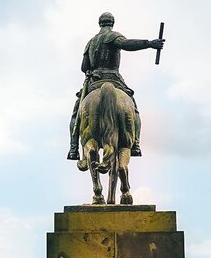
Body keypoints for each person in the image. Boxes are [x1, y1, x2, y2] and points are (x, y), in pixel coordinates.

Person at [67, 12, 165, 160]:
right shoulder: (113, 36)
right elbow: (126, 45)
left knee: (76, 114)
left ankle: (73, 148)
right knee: (133, 108)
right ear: (112, 23)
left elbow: (83, 67)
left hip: (94, 82)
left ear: (99, 23)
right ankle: (136, 144)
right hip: (114, 79)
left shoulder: (90, 42)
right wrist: (149, 43)